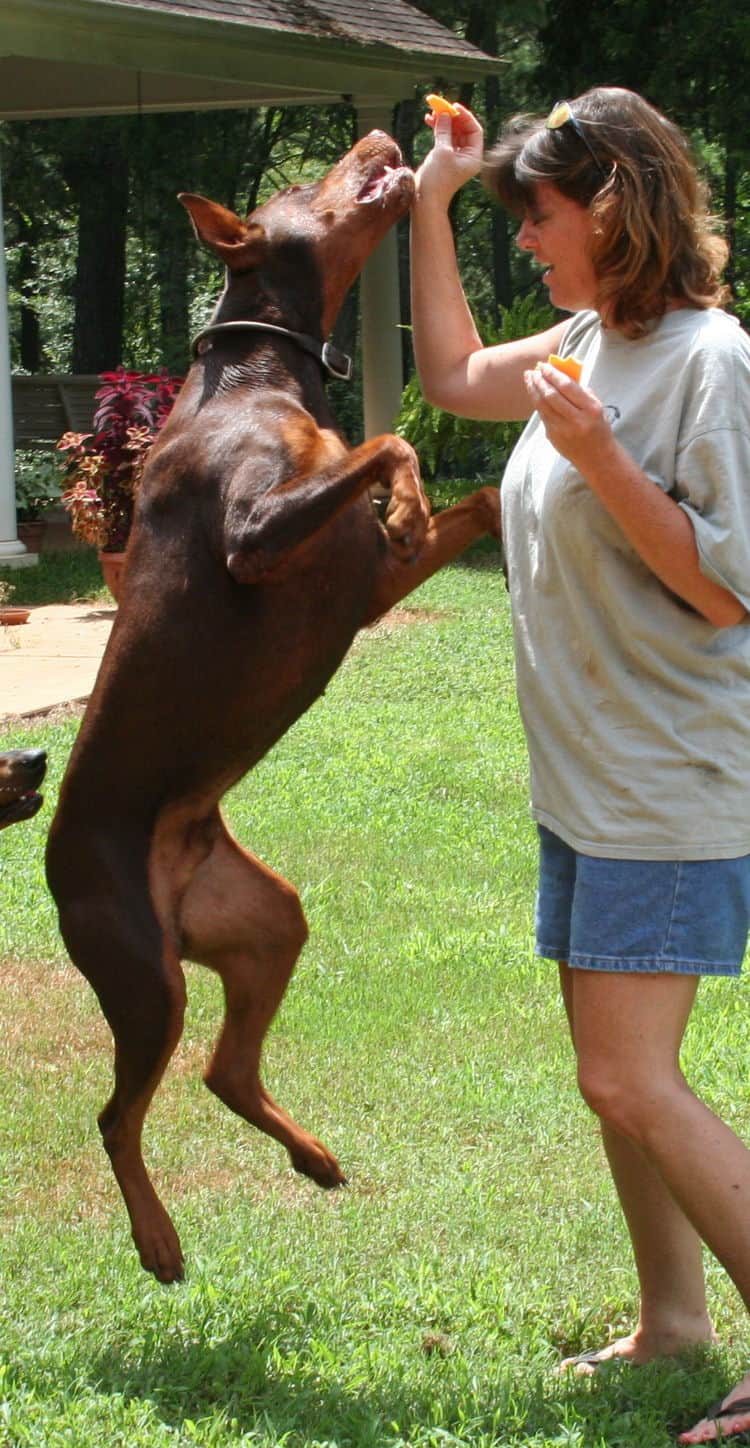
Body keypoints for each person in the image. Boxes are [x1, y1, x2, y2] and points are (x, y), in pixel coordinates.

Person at [409, 85, 750, 1445]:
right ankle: (672, 1318)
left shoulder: (705, 363)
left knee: (626, 1078)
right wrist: (430, 200)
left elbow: (725, 590)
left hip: (666, 784)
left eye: (536, 216)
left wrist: (600, 458)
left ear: (611, 208)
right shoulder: (584, 339)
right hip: (590, 782)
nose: (526, 244)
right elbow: (446, 378)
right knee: (609, 1074)